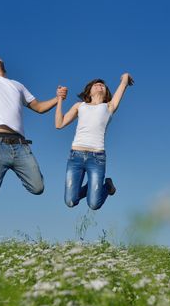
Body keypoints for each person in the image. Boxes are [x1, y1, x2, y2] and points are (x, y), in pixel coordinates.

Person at [0, 21, 67, 195]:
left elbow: (39, 107)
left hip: (20, 146)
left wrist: (57, 98)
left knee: (38, 187)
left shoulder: (18, 85)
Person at [55, 74, 133, 209]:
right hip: (76, 157)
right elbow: (59, 124)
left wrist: (125, 78)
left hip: (97, 159)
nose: (99, 85)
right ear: (89, 91)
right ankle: (91, 188)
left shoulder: (109, 106)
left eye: (102, 85)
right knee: (70, 201)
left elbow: (123, 86)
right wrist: (60, 99)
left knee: (94, 204)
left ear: (106, 92)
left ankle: (107, 187)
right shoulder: (80, 106)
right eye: (95, 84)